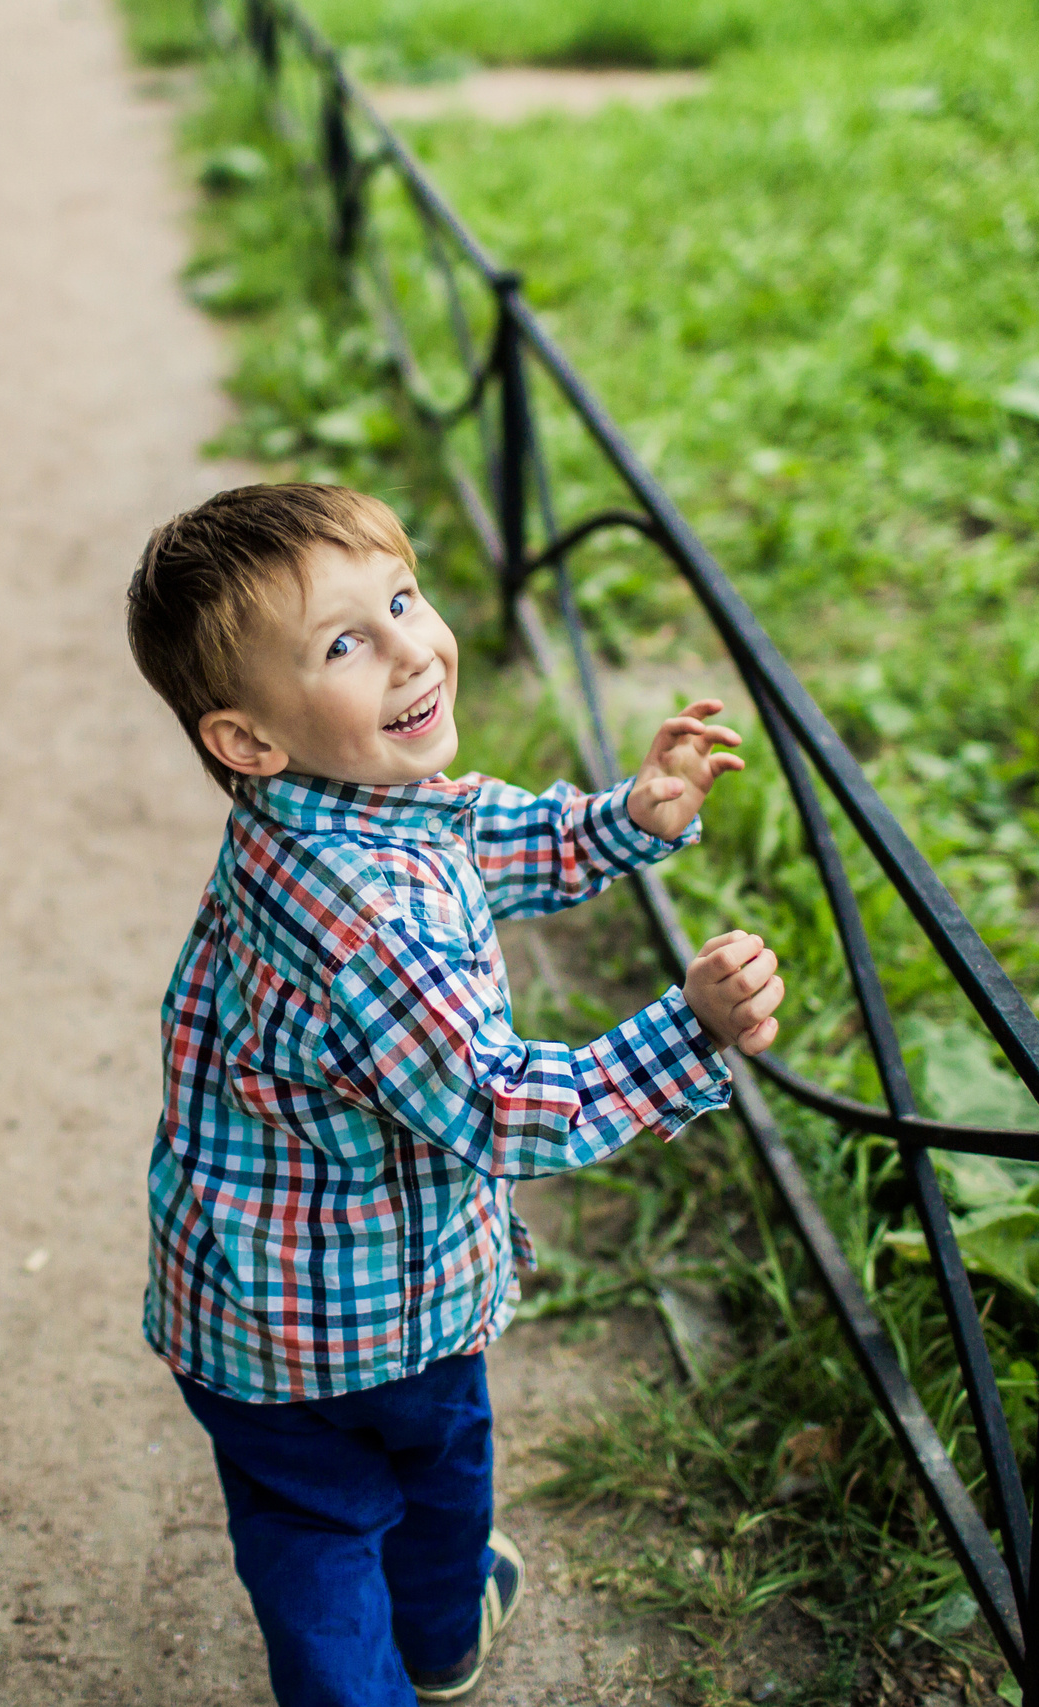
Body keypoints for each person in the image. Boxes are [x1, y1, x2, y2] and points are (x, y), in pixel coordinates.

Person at [124, 483, 786, 1706]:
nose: (411, 649)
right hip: (387, 1314)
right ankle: (432, 1641)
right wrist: (686, 1032)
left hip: (237, 1309)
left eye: (402, 598)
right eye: (345, 643)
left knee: (306, 1531)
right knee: (429, 1486)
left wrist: (626, 823)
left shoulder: (315, 807)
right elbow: (504, 1109)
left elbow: (474, 834)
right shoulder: (373, 929)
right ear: (247, 738)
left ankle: (409, 1652)